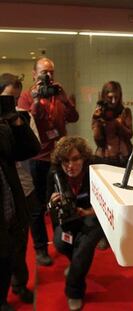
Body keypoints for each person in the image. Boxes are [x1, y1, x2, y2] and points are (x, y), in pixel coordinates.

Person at [18, 57, 79, 266]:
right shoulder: (26, 96)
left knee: (60, 201)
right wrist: (35, 100)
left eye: (51, 71)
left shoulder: (58, 95)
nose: (48, 76)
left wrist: (64, 99)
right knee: (37, 207)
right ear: (35, 74)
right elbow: (27, 124)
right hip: (37, 158)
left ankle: (63, 242)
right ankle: (41, 248)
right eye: (44, 72)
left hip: (58, 157)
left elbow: (74, 117)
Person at [47, 136, 104, 311]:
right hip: (68, 218)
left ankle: (74, 291)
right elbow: (47, 205)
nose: (70, 166)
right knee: (61, 243)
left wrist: (88, 212)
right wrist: (52, 203)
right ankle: (77, 267)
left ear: (84, 158)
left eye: (75, 159)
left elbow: (105, 203)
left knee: (83, 249)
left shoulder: (95, 171)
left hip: (92, 215)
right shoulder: (54, 175)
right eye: (65, 160)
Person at [0, 73, 38, 305]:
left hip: (14, 198)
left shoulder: (10, 121)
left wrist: (14, 120)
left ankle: (19, 286)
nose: (9, 103)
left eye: (13, 100)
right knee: (2, 255)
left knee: (18, 247)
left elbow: (31, 149)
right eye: (5, 99)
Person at [92, 81, 133, 168]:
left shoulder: (125, 112)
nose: (114, 101)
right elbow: (98, 141)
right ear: (104, 96)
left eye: (116, 97)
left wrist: (117, 123)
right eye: (110, 97)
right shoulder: (99, 113)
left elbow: (129, 134)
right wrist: (97, 121)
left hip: (122, 156)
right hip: (104, 157)